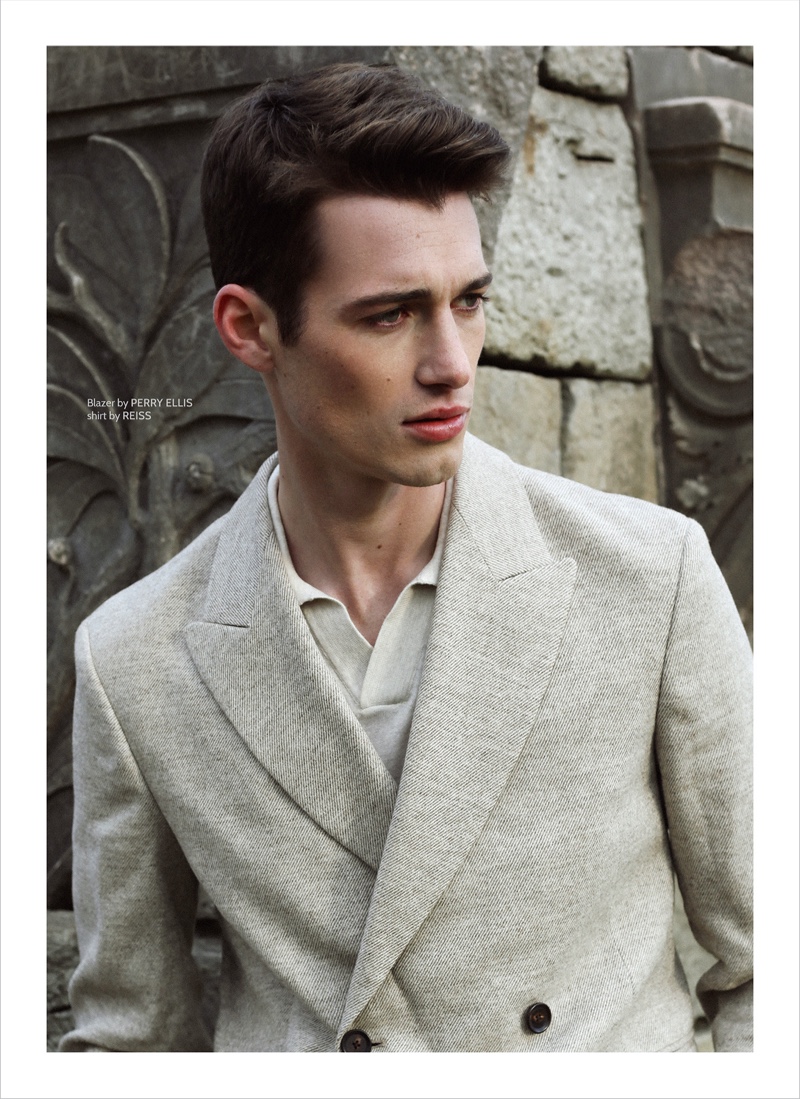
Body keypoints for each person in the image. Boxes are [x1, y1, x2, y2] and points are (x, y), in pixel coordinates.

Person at [60, 62, 752, 1053]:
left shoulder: (649, 577)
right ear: (250, 328)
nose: (452, 363)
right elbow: (133, 1039)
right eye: (389, 315)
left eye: (468, 301)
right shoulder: (134, 658)